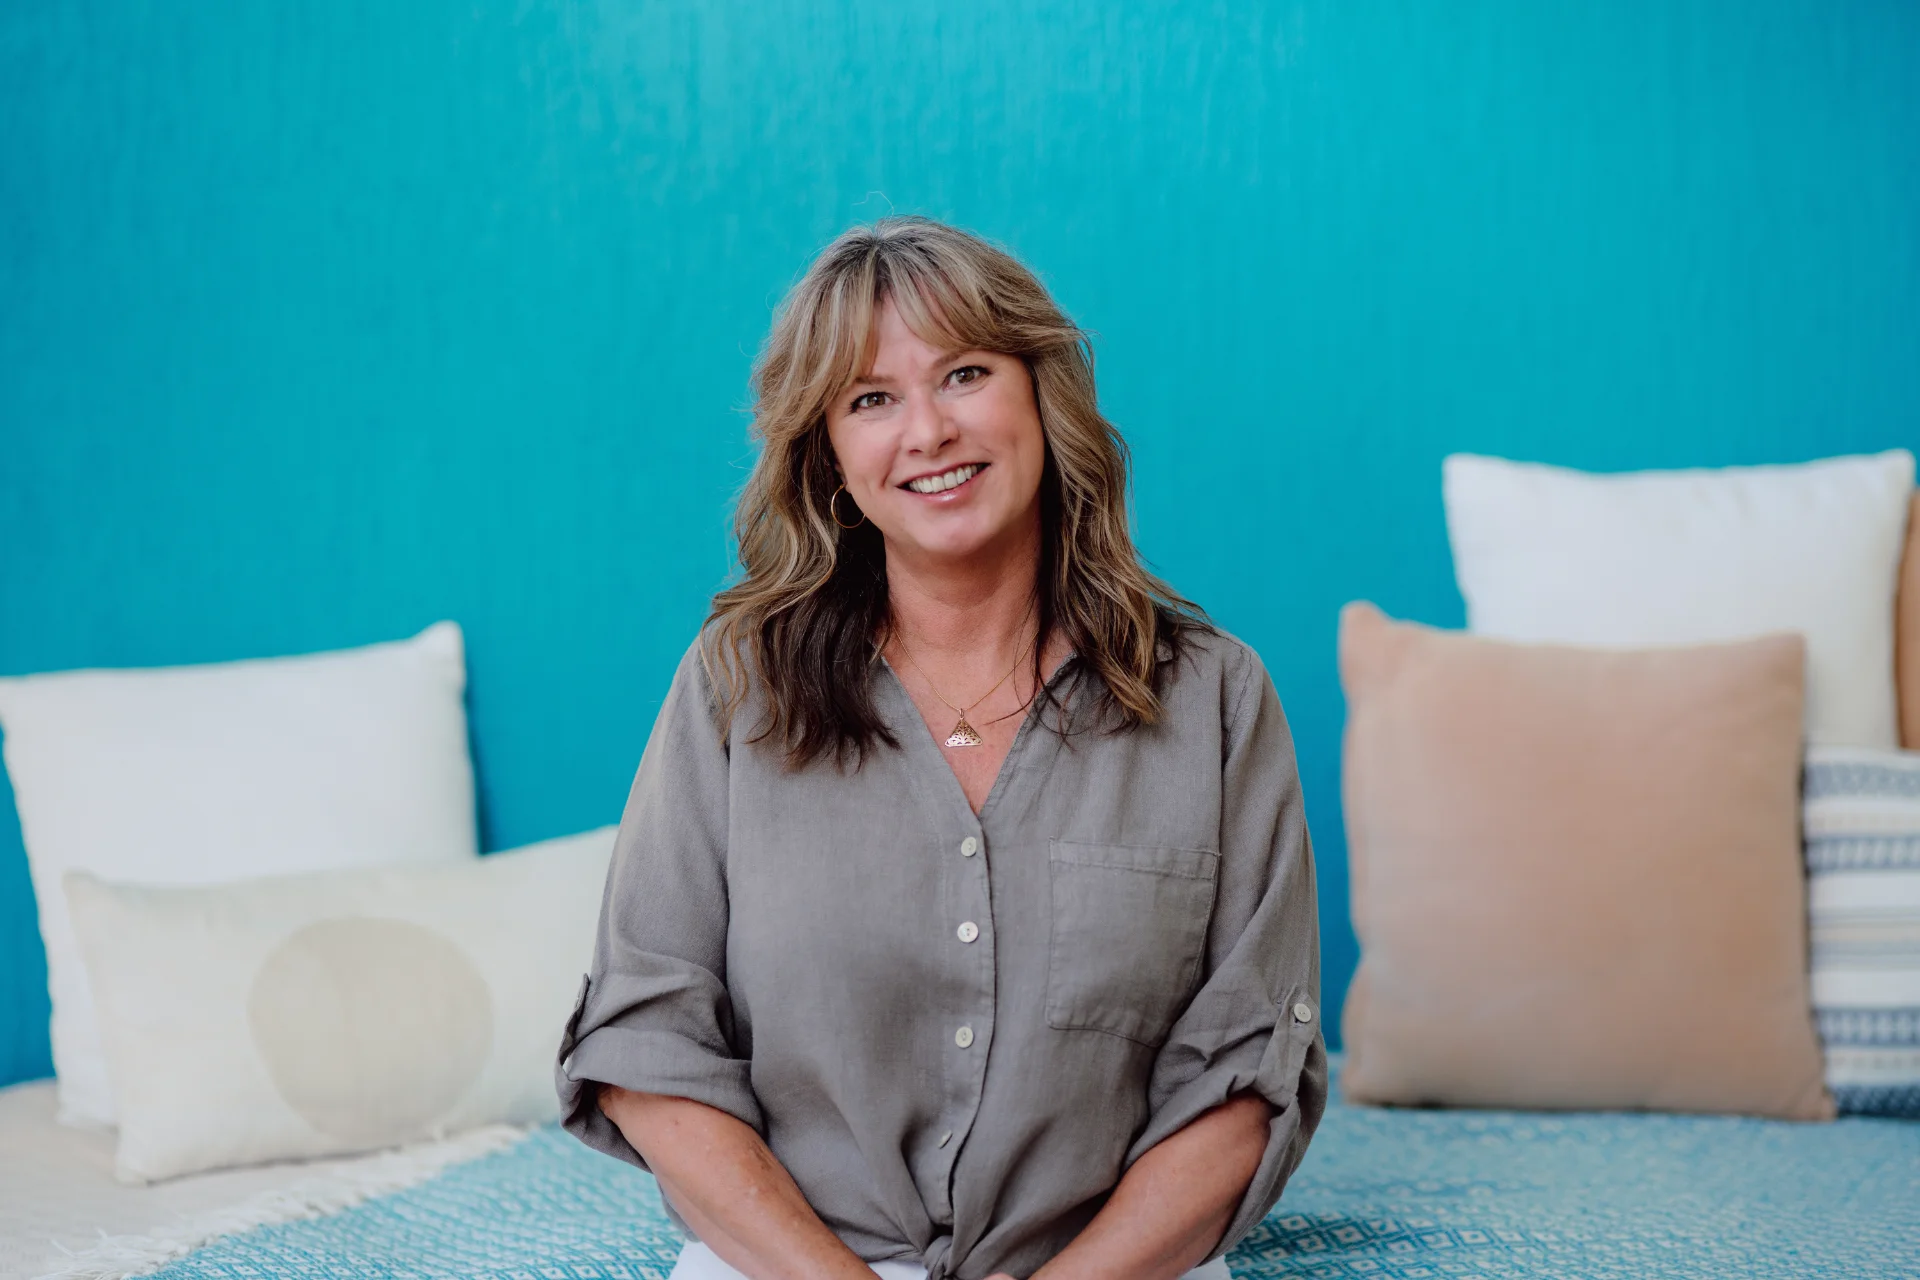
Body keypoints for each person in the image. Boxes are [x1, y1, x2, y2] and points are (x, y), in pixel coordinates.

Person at [556, 216, 1327, 1280]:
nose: (927, 431)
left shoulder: (1216, 699)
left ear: (1042, 397)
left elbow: (1249, 1076)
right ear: (829, 454)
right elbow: (649, 1046)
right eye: (871, 399)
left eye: (964, 374)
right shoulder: (735, 689)